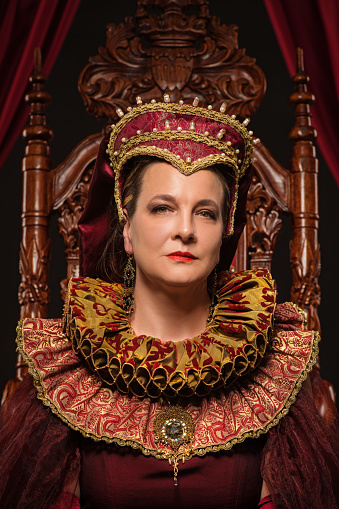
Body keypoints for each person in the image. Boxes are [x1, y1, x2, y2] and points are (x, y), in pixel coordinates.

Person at [0, 95, 338, 509]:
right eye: (163, 208)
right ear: (126, 227)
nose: (185, 230)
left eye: (206, 213)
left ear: (224, 235)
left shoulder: (277, 366)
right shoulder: (64, 368)